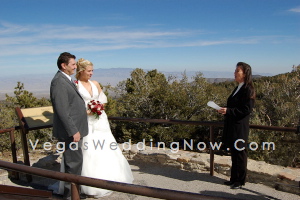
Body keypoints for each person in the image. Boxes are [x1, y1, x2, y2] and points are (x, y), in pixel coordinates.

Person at [75, 58, 134, 198]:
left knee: (106, 146)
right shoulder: (75, 85)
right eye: (89, 71)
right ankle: (91, 183)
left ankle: (113, 177)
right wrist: (87, 111)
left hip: (100, 121)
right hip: (85, 122)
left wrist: (98, 108)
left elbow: (103, 99)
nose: (92, 73)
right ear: (81, 71)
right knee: (90, 149)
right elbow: (74, 106)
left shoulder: (95, 83)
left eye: (92, 70)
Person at [50, 52, 88, 199]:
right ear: (63, 65)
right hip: (71, 132)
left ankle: (73, 193)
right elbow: (62, 110)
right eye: (73, 64)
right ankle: (71, 196)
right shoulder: (58, 81)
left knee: (74, 163)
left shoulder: (66, 79)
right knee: (73, 163)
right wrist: (74, 131)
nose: (75, 66)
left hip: (75, 129)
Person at [218, 62, 255, 189]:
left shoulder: (248, 89)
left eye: (237, 71)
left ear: (245, 74)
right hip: (233, 126)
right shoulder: (238, 87)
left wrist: (228, 111)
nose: (234, 73)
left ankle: (240, 181)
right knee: (234, 153)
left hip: (240, 127)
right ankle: (233, 179)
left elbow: (246, 110)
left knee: (240, 154)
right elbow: (235, 107)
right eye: (235, 70)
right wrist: (225, 110)